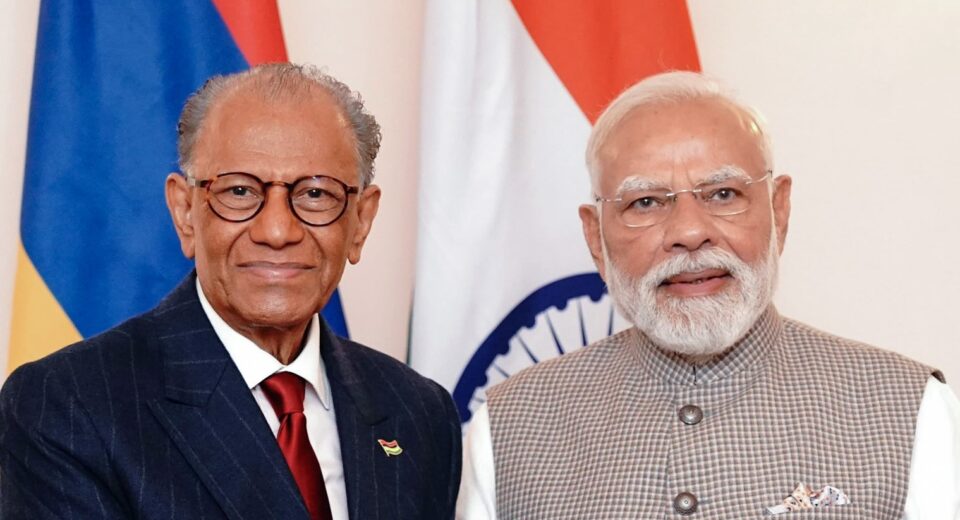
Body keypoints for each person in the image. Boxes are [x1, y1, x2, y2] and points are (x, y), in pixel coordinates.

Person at [457, 71, 960, 519]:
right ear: (595, 237)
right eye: (645, 202)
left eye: (723, 194)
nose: (690, 232)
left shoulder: (907, 408)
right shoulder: (510, 426)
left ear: (779, 211)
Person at [0, 63, 461, 520]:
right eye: (239, 192)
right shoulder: (69, 406)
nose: (277, 231)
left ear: (360, 221)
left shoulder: (419, 413)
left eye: (315, 194)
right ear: (185, 211)